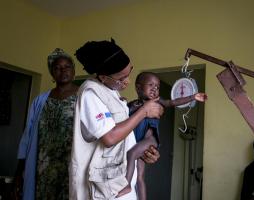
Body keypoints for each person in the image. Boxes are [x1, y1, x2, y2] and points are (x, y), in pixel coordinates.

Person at [70, 39, 163, 200]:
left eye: (129, 73)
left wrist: (143, 152)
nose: (127, 81)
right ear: (103, 77)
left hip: (119, 183)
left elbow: (123, 135)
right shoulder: (90, 94)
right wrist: (143, 111)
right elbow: (109, 137)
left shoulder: (112, 90)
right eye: (121, 78)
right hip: (101, 189)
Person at [117, 72, 207, 199]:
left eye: (157, 87)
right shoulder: (133, 104)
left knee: (131, 154)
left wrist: (193, 97)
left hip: (150, 140)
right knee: (140, 176)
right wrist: (121, 101)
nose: (155, 88)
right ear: (138, 88)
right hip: (138, 141)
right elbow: (123, 115)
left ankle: (126, 185)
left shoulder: (158, 102)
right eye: (151, 85)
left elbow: (173, 102)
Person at [14, 48, 78, 200]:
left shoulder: (85, 96)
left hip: (72, 166)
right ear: (52, 73)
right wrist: (19, 174)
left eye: (66, 67)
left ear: (73, 70)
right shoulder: (40, 101)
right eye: (57, 68)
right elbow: (27, 137)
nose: (62, 70)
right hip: (43, 168)